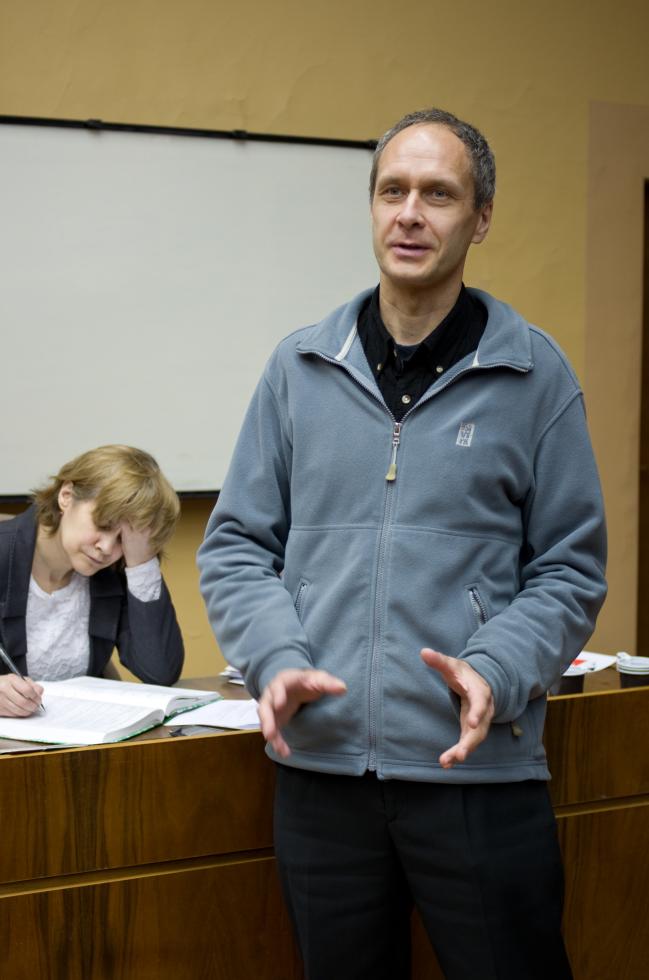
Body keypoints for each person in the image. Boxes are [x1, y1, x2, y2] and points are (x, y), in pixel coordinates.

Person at [198, 108, 607, 979]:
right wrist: (275, 658)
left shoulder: (535, 375)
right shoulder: (298, 369)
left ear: (480, 218)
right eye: (392, 191)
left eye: (438, 194)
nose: (409, 213)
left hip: (478, 777)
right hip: (322, 777)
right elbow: (235, 547)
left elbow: (569, 568)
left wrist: (493, 668)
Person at [0, 445, 184, 716]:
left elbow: (160, 672)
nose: (107, 548)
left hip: (80, 731)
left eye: (123, 539)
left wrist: (141, 562)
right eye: (104, 525)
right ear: (66, 496)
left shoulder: (115, 570)